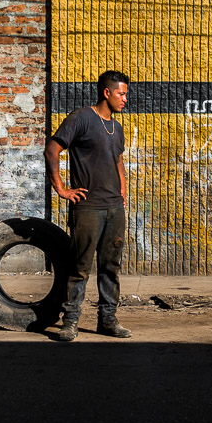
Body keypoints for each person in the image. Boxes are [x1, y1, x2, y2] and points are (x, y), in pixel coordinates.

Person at [44, 70, 132, 342]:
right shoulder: (81, 118)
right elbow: (52, 150)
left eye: (126, 94)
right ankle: (69, 322)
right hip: (88, 208)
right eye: (121, 93)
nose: (125, 99)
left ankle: (108, 321)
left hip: (114, 208)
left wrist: (123, 190)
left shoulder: (116, 127)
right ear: (106, 92)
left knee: (110, 267)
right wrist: (61, 189)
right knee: (79, 266)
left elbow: (117, 159)